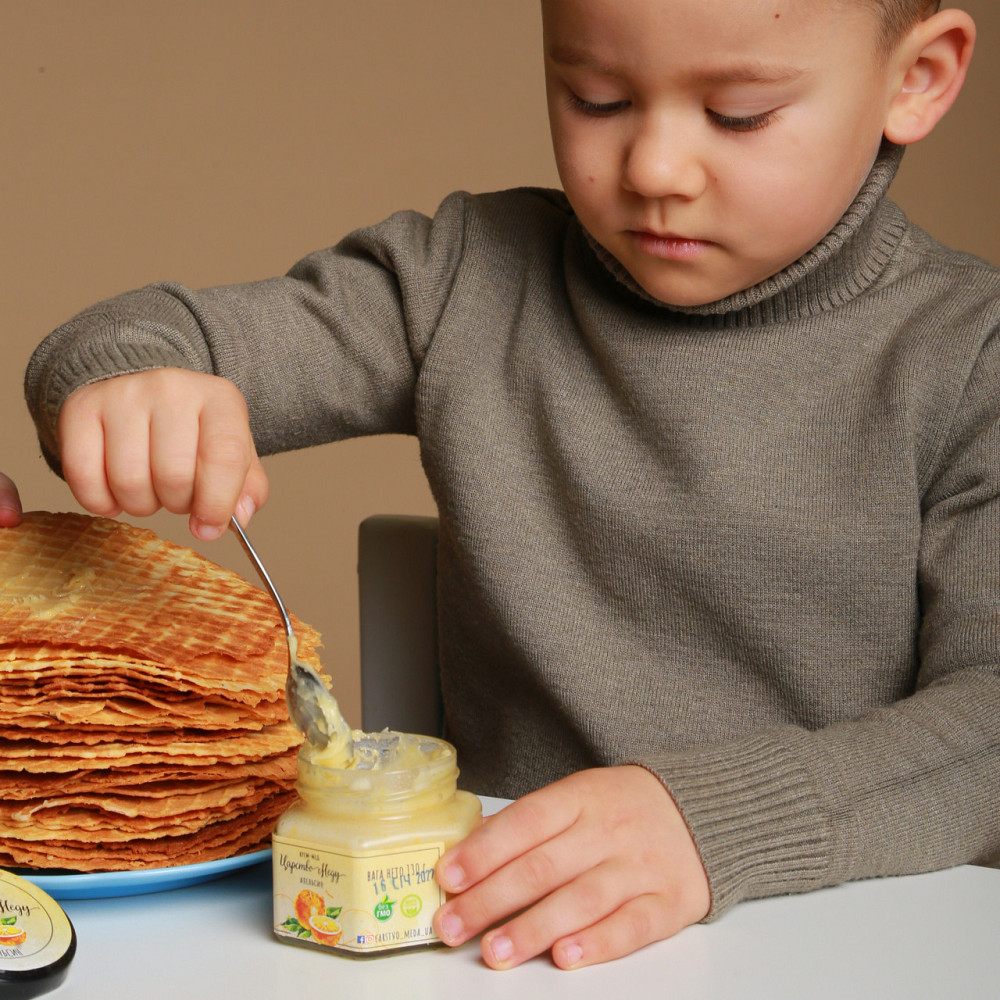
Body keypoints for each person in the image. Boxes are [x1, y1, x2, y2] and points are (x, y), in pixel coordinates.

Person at [22, 0, 997, 972]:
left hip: (853, 950)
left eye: (738, 113)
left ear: (918, 78)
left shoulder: (969, 358)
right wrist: (130, 381)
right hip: (493, 955)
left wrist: (714, 824)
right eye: (596, 97)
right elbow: (146, 338)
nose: (652, 169)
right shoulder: (466, 276)